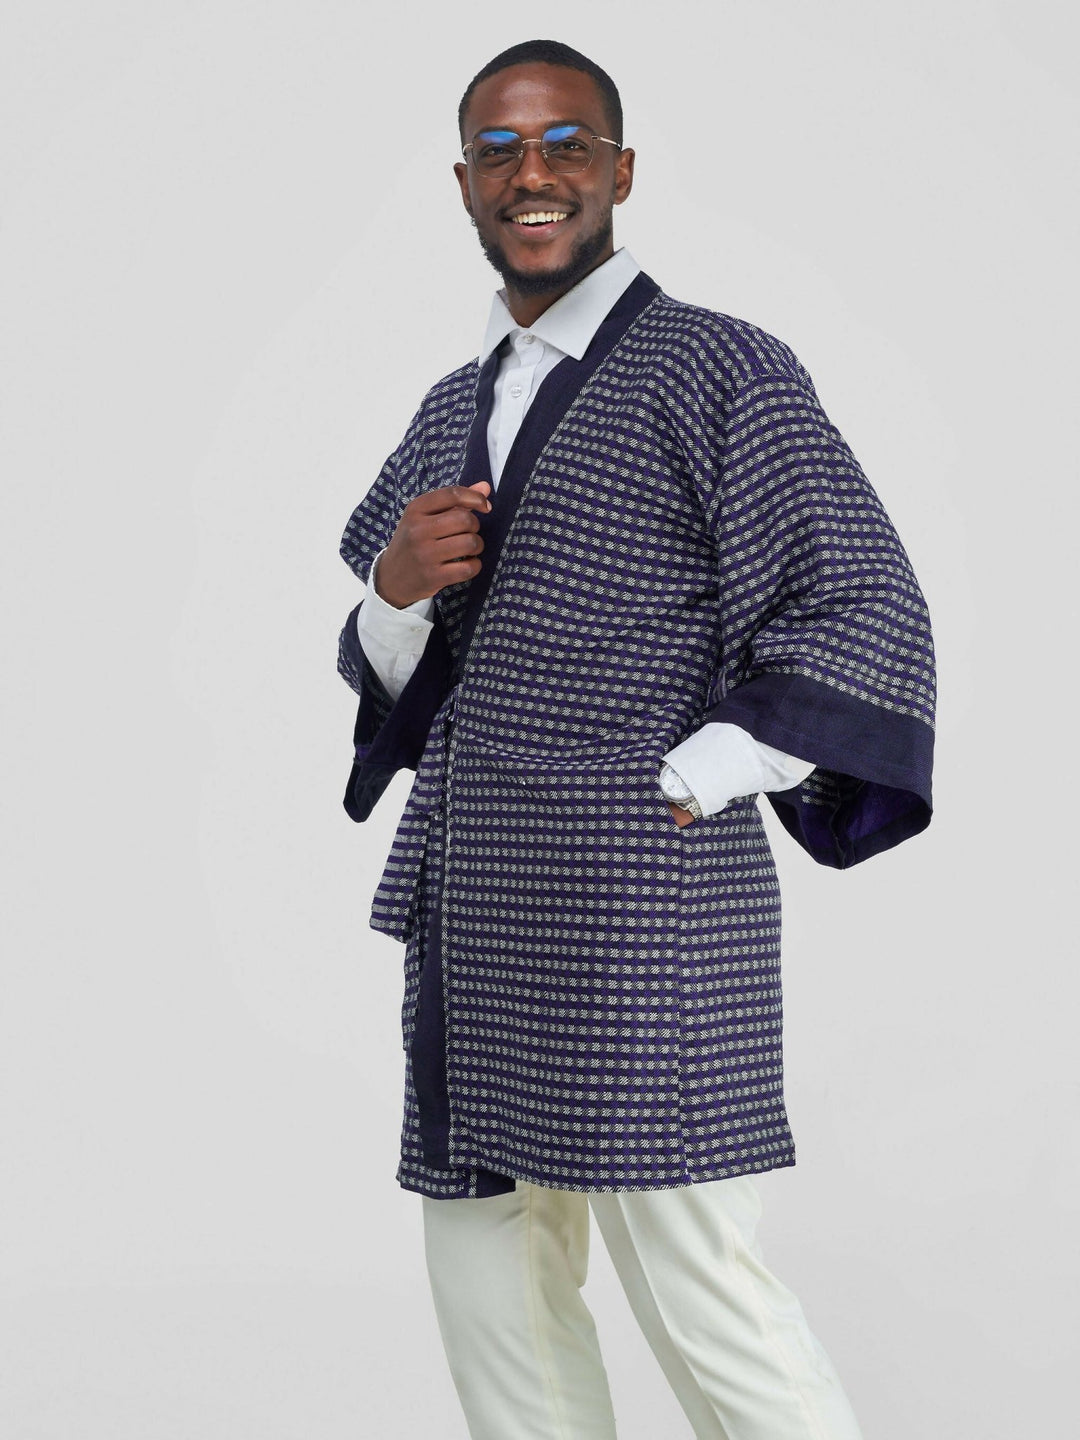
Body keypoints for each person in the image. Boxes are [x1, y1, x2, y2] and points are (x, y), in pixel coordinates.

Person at [337, 39, 935, 1440]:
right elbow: (402, 670)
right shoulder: (452, 404)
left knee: (696, 1284)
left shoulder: (721, 366)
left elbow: (860, 597)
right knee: (492, 1283)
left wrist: (696, 774)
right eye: (499, 149)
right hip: (480, 894)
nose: (532, 173)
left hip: (640, 893)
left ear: (618, 169)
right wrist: (393, 591)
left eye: (564, 143)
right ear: (465, 183)